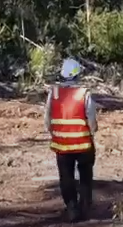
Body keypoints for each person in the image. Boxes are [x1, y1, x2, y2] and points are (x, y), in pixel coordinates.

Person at [44, 57, 97, 222]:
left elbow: (47, 121)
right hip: (83, 145)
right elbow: (92, 122)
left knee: (66, 177)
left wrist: (56, 134)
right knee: (85, 175)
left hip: (62, 145)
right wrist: (91, 133)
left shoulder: (54, 93)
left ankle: (72, 208)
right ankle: (85, 206)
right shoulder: (85, 94)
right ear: (78, 74)